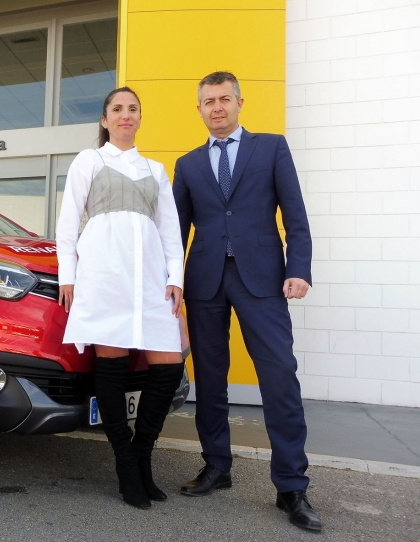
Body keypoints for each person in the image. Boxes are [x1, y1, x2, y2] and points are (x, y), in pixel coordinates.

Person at [172, 71, 322, 532]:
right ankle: (217, 466)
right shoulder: (188, 163)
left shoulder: (272, 147)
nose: (216, 107)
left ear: (239, 102)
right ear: (198, 109)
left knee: (279, 376)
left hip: (264, 280)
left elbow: (294, 213)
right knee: (210, 380)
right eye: (208, 101)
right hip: (205, 282)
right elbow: (174, 232)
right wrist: (169, 283)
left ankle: (292, 486)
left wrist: (299, 268)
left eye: (224, 99)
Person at [56, 87, 185, 509]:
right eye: (117, 109)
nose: (125, 115)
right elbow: (68, 221)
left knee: (168, 362)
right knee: (110, 362)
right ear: (105, 119)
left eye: (133, 109)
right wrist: (67, 277)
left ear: (140, 118)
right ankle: (125, 463)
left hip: (149, 282)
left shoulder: (155, 169)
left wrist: (176, 278)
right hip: (105, 276)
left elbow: (170, 231)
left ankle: (142, 453)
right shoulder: (89, 160)